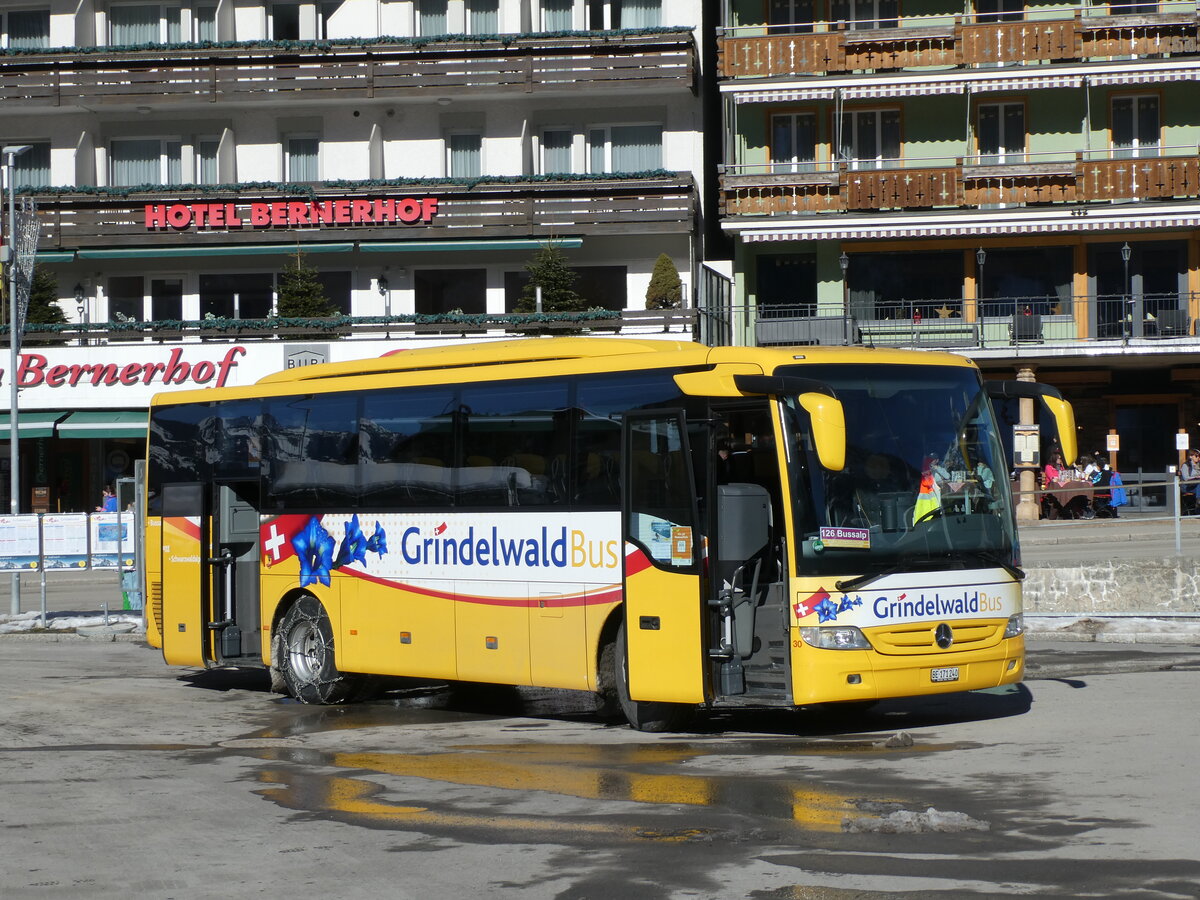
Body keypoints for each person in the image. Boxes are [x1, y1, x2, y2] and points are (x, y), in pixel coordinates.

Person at [1180, 449, 1200, 515]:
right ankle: (1198, 503)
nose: (1198, 458)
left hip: (1196, 485)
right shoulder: (1186, 465)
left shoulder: (1198, 465)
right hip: (1187, 486)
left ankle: (1198, 502)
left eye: (1199, 456)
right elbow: (1186, 478)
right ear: (1191, 456)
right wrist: (1196, 477)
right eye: (1196, 456)